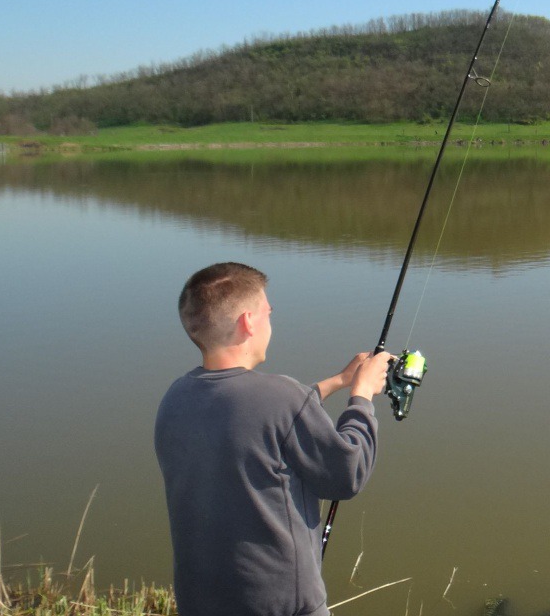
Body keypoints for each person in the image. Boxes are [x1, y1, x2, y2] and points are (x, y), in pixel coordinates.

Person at [154, 262, 394, 616]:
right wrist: (361, 396)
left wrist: (338, 381)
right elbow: (347, 474)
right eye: (268, 313)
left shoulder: (176, 398)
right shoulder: (280, 398)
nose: (270, 323)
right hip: (281, 608)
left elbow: (254, 421)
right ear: (248, 322)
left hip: (201, 603)